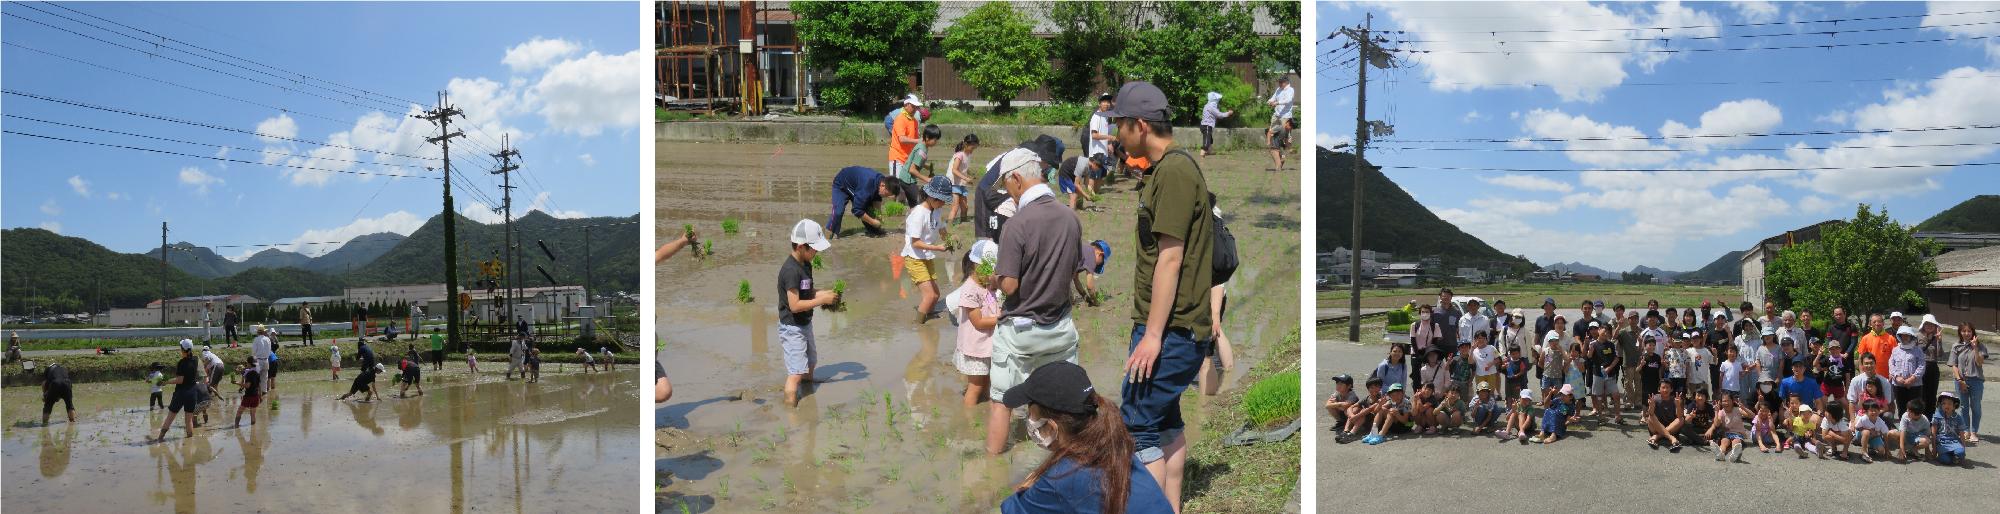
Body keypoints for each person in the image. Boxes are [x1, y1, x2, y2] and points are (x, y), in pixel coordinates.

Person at [987, 146, 1086, 455]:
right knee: (1055, 403)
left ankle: (991, 469)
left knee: (1001, 402)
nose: (1008, 193)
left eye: (1006, 186)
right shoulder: (1070, 218)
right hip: (1060, 329)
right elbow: (1073, 269)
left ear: (1017, 179)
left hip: (1020, 333)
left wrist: (994, 279)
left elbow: (1010, 285)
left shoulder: (1017, 224)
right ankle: (1058, 459)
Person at [999, 361, 1174, 514]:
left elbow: (1012, 509)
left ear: (1052, 427)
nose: (1029, 420)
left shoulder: (1061, 477)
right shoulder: (1115, 443)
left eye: (1030, 413)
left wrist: (1028, 485)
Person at [780, 219, 839, 407]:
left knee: (811, 361)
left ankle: (807, 389)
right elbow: (795, 305)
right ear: (800, 247)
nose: (816, 252)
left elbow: (808, 292)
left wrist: (825, 293)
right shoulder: (790, 271)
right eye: (814, 249)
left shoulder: (806, 264)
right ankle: (790, 407)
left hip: (805, 323)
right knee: (796, 372)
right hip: (792, 327)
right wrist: (821, 301)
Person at [903, 176, 957, 324]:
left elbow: (942, 229)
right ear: (932, 197)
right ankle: (918, 324)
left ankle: (928, 315)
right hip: (914, 258)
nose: (943, 204)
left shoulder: (936, 210)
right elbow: (915, 243)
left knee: (936, 294)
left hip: (926, 256)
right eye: (942, 200)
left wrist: (950, 239)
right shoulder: (918, 214)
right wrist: (937, 248)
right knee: (930, 296)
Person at [954, 241, 1001, 408]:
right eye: (989, 270)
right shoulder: (970, 289)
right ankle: (968, 416)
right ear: (976, 266)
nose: (993, 274)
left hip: (986, 346)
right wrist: (1003, 318)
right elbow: (979, 322)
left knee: (988, 381)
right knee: (975, 387)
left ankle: (985, 412)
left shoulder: (986, 286)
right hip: (975, 348)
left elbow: (992, 306)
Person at [155, 340, 206, 441]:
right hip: (192, 393)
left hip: (181, 393)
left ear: (183, 350)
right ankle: (190, 440)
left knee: (170, 417)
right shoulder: (196, 359)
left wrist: (166, 382)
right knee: (189, 420)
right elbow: (201, 375)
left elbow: (180, 380)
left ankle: (160, 439)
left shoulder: (181, 363)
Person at [827, 166, 895, 239]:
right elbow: (857, 210)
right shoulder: (867, 186)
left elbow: (877, 197)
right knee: (838, 211)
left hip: (857, 187)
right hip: (841, 184)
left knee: (870, 210)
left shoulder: (882, 181)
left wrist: (878, 214)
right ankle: (829, 232)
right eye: (886, 194)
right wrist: (873, 222)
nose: (885, 197)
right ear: (883, 185)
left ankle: (873, 231)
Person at [1948, 322, 1985, 443]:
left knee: (1976, 406)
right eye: (1964, 331)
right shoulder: (1956, 346)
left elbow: (1979, 362)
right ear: (1960, 332)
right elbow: (1954, 365)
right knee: (1963, 406)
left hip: (1976, 380)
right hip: (1960, 380)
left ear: (1973, 332)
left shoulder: (1980, 345)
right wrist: (1959, 380)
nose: (1966, 333)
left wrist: (1975, 348)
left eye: (1969, 331)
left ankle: (1974, 432)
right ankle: (1966, 430)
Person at [888, 94, 925, 204]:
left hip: (907, 159)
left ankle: (900, 208)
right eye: (913, 106)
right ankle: (892, 208)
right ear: (906, 105)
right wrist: (918, 141)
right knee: (894, 187)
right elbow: (902, 139)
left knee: (904, 187)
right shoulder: (900, 119)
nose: (915, 109)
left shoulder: (914, 121)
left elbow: (914, 141)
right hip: (897, 157)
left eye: (916, 107)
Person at [1706, 392, 1752, 462]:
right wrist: (1716, 412)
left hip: (1738, 434)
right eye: (1724, 401)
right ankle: (1720, 453)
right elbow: (1716, 424)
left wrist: (1744, 408)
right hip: (1726, 434)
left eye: (1728, 400)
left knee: (1736, 441)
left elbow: (1752, 415)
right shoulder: (1721, 412)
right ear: (1721, 402)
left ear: (1732, 401)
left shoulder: (1738, 410)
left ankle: (1734, 454)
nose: (1726, 403)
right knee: (1724, 442)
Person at [1889, 326, 1925, 415]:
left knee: (1915, 409)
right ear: (1899, 337)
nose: (1905, 337)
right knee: (1901, 408)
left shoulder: (1918, 350)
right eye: (1903, 335)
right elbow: (1891, 364)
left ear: (1911, 336)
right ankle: (1902, 424)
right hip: (1898, 384)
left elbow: (1921, 365)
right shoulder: (1895, 350)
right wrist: (1896, 377)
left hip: (1915, 385)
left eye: (1907, 335)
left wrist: (1912, 378)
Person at [1085, 93, 1116, 196]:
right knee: (1093, 176)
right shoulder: (1096, 116)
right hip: (1096, 153)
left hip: (1103, 152)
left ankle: (1094, 195)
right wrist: (1109, 137)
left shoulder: (1105, 117)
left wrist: (1108, 144)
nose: (1107, 104)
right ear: (1099, 104)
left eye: (1108, 102)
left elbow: (1103, 133)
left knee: (1101, 176)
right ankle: (1090, 195)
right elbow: (1094, 135)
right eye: (1104, 102)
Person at [946, 134, 980, 222]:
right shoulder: (959, 155)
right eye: (972, 148)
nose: (973, 150)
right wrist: (966, 178)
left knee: (965, 207)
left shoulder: (967, 155)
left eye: (974, 148)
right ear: (965, 144)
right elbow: (954, 170)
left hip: (960, 184)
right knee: (955, 207)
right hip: (953, 183)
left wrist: (971, 174)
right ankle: (949, 225)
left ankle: (963, 223)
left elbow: (964, 168)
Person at [1643, 381, 1684, 451]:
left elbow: (1679, 416)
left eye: (1667, 387)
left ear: (1671, 389)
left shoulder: (1675, 399)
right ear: (1659, 389)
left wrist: (1678, 405)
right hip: (1655, 428)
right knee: (1651, 417)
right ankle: (1671, 438)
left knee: (1681, 419)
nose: (1665, 390)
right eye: (1663, 387)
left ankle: (1657, 436)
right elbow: (1650, 413)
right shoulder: (1655, 398)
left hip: (1671, 428)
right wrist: (1651, 406)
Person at [1264, 76, 1294, 171]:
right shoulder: (1278, 89)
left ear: (1286, 82)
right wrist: (1269, 102)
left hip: (1285, 116)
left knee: (1285, 137)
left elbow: (1288, 100)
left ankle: (1284, 153)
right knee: (1272, 134)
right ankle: (1279, 156)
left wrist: (1277, 103)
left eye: (1281, 82)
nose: (1279, 83)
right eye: (1279, 82)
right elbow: (1273, 98)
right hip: (1276, 115)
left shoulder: (1290, 90)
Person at [1933, 392, 1970, 466]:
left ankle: (1955, 454)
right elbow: (1933, 433)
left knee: (1960, 452)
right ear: (1940, 405)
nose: (1946, 405)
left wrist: (1963, 447)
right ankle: (1946, 455)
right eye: (1944, 403)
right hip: (1941, 443)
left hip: (1954, 441)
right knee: (1946, 461)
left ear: (1954, 406)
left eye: (1949, 403)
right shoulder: (1937, 416)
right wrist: (1934, 449)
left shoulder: (1958, 417)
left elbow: (1961, 434)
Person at [1324, 374, 1360, 440]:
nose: (1338, 385)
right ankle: (1342, 422)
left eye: (1341, 384)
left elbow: (1344, 407)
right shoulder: (1337, 393)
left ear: (1349, 386)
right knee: (1330, 408)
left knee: (1346, 410)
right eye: (1337, 383)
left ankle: (1350, 426)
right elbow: (1327, 405)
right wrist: (1339, 404)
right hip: (1342, 413)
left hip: (1353, 417)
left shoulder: (1352, 395)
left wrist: (1335, 403)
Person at [1197, 91, 1232, 156]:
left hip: (1205, 125)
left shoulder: (1207, 105)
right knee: (1207, 141)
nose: (1218, 101)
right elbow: (1219, 115)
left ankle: (1209, 151)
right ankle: (1202, 152)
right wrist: (1228, 113)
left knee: (1210, 139)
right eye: (1217, 100)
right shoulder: (1211, 107)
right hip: (1207, 125)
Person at [1898, 398, 1933, 463]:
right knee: (1892, 433)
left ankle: (1912, 450)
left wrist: (1927, 450)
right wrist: (1901, 448)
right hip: (1906, 435)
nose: (1907, 411)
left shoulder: (1925, 420)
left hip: (1916, 437)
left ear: (1918, 414)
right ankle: (1905, 449)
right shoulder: (1905, 416)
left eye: (1909, 411)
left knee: (1926, 441)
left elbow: (1927, 434)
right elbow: (1902, 431)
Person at [231, 355, 262, 428]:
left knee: (239, 411)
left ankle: (236, 427)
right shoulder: (257, 372)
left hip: (248, 396)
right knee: (253, 414)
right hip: (256, 396)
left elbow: (247, 386)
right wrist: (260, 396)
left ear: (249, 363)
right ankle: (253, 430)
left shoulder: (249, 374)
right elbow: (259, 385)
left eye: (247, 363)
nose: (246, 364)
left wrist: (236, 383)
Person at [41, 362, 75, 426]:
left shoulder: (48, 370)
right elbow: (68, 383)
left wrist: (45, 395)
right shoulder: (63, 369)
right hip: (67, 383)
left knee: (48, 405)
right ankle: (72, 423)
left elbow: (44, 383)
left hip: (55, 384)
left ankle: (44, 424)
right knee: (69, 405)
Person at [250, 325, 273, 396]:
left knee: (257, 377)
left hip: (258, 361)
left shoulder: (256, 339)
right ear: (263, 332)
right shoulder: (268, 339)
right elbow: (269, 351)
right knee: (265, 377)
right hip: (266, 360)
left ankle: (257, 392)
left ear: (258, 332)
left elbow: (253, 352)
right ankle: (264, 392)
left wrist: (252, 359)